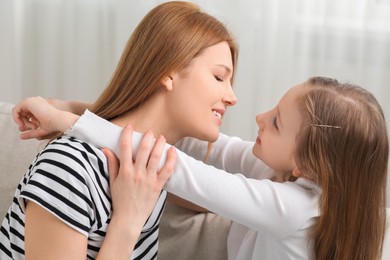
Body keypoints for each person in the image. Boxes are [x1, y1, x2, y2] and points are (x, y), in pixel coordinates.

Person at [10, 76, 389, 259]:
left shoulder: (294, 209)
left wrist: (68, 122)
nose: (258, 115)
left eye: (275, 122)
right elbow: (178, 139)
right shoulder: (295, 176)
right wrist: (73, 108)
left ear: (307, 164)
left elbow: (181, 171)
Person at [0, 1, 240, 259]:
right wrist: (129, 220)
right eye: (218, 77)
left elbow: (223, 201)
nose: (232, 97)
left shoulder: (150, 168)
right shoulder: (70, 167)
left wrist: (70, 109)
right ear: (168, 71)